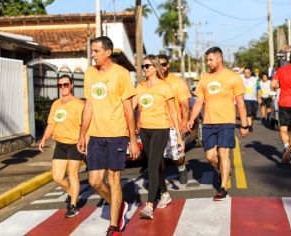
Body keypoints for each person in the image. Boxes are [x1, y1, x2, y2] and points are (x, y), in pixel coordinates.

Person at [77, 36, 140, 236]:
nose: (92, 55)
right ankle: (119, 205)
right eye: (92, 51)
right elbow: (88, 105)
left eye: (96, 51)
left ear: (107, 52)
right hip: (95, 135)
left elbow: (129, 109)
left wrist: (132, 139)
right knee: (95, 181)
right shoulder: (89, 73)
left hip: (117, 134)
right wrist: (82, 134)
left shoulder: (121, 74)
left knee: (113, 178)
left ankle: (114, 225)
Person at [188, 47, 249, 201]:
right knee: (210, 156)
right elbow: (198, 102)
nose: (208, 63)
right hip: (208, 123)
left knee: (224, 153)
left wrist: (244, 124)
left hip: (226, 122)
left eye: (210, 60)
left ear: (219, 59)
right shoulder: (204, 78)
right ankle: (222, 171)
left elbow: (240, 103)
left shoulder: (233, 77)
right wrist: (191, 118)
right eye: (206, 60)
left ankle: (223, 187)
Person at [132, 54, 184, 219]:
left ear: (155, 67)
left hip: (161, 128)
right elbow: (131, 107)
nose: (144, 69)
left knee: (152, 165)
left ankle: (149, 206)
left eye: (147, 66)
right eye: (143, 67)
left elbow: (173, 112)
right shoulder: (139, 87)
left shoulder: (165, 86)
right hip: (144, 130)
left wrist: (180, 137)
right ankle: (165, 193)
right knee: (155, 164)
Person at [39, 74, 84, 217]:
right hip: (60, 144)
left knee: (73, 175)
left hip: (74, 144)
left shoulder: (78, 104)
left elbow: (84, 125)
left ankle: (73, 205)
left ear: (71, 85)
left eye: (65, 85)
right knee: (57, 177)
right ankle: (72, 193)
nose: (63, 88)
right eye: (60, 85)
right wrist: (44, 138)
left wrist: (84, 141)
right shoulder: (56, 104)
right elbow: (51, 124)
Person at [158, 54, 191, 184]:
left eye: (164, 64)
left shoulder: (177, 82)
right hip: (156, 125)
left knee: (176, 156)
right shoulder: (150, 82)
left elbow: (185, 105)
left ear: (168, 65)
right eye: (158, 65)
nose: (161, 67)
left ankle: (182, 167)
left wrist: (184, 122)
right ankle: (160, 180)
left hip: (173, 124)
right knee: (157, 156)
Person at [242, 67, 261, 131]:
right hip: (246, 99)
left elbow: (258, 88)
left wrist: (259, 97)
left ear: (250, 72)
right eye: (245, 73)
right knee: (249, 113)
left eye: (248, 72)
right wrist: (240, 70)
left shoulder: (255, 79)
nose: (246, 74)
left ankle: (251, 122)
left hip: (254, 99)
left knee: (254, 114)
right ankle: (249, 126)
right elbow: (234, 75)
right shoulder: (242, 78)